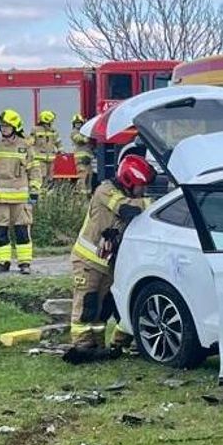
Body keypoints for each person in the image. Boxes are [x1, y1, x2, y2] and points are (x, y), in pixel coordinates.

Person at [64, 153, 155, 361]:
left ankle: (97, 346)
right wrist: (154, 204)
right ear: (130, 181)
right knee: (86, 305)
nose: (144, 191)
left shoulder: (127, 194)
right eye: (142, 187)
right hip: (88, 262)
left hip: (107, 264)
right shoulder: (105, 191)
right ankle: (82, 347)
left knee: (102, 309)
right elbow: (127, 210)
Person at [0, 109, 42, 274]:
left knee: (22, 231)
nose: (4, 129)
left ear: (15, 127)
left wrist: (35, 189)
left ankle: (24, 263)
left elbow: (34, 170)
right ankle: (3, 262)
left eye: (7, 126)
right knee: (0, 231)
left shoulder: (25, 147)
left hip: (21, 198)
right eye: (1, 127)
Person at [31, 109, 62, 185]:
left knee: (50, 178)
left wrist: (61, 150)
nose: (52, 123)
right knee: (41, 176)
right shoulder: (35, 130)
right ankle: (41, 193)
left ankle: (46, 192)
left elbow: (58, 141)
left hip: (50, 158)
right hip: (40, 158)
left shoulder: (53, 131)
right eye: (50, 121)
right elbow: (31, 142)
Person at [70, 113, 95, 194]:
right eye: (76, 123)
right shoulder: (74, 132)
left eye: (79, 123)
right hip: (80, 159)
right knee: (82, 177)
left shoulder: (84, 132)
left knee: (89, 177)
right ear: (74, 124)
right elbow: (80, 140)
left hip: (88, 158)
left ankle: (88, 195)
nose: (78, 125)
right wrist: (87, 135)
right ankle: (81, 196)